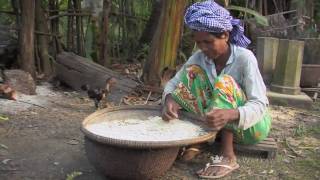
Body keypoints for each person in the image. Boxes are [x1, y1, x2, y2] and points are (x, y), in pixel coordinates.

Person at [161, 0, 271, 179]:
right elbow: (174, 84)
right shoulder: (199, 58)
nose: (203, 48)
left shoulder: (245, 58)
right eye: (199, 42)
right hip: (214, 126)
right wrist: (169, 100)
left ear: (225, 35)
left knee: (224, 82)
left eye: (208, 42)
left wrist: (230, 114)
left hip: (251, 128)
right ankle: (199, 139)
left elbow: (260, 104)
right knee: (192, 73)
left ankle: (228, 155)